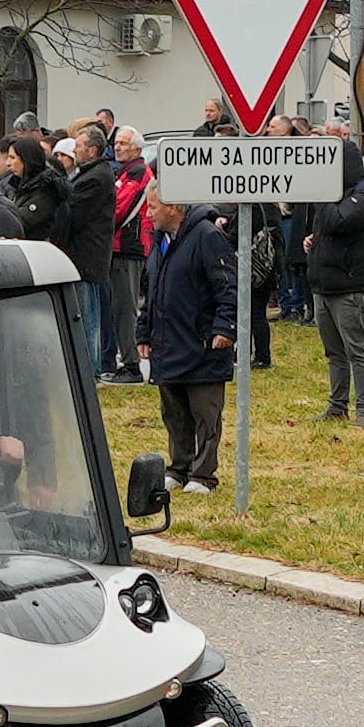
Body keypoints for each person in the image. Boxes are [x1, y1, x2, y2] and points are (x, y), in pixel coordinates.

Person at [135, 182, 240, 493]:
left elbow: (228, 286)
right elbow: (151, 291)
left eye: (152, 207)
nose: (148, 213)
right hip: (168, 343)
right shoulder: (160, 242)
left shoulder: (207, 237)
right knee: (174, 411)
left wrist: (225, 328)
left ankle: (203, 473)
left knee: (205, 413)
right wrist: (144, 330)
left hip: (201, 342)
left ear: (173, 208)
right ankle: (179, 467)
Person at [311, 122, 364, 431]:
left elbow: (336, 221)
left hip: (352, 283)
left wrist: (320, 195)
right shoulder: (336, 193)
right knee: (334, 352)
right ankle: (337, 406)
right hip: (324, 281)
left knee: (356, 348)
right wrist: (313, 241)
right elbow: (325, 228)